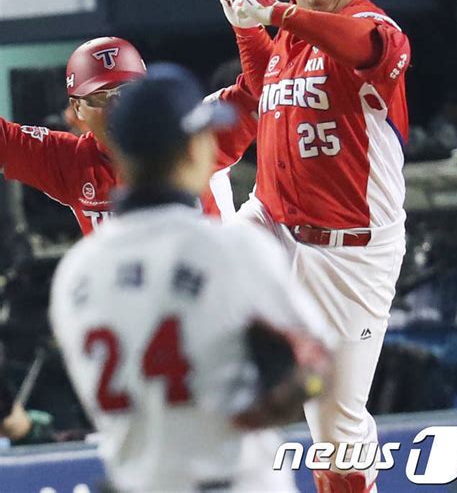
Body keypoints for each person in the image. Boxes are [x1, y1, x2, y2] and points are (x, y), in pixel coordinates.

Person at [49, 64, 332, 493]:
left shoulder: (76, 272)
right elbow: (318, 367)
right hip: (232, 482)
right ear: (192, 147)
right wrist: (281, 397)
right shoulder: (233, 250)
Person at [218, 0, 410, 493]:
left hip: (347, 250)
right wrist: (251, 31)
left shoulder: (378, 30)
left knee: (337, 444)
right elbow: (261, 85)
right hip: (272, 221)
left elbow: (360, 48)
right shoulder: (288, 44)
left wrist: (274, 13)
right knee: (186, 273)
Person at [0, 37, 147, 235]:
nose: (116, 107)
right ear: (77, 108)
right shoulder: (74, 162)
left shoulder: (192, 138)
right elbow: (6, 142)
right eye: (99, 98)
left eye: (127, 91)